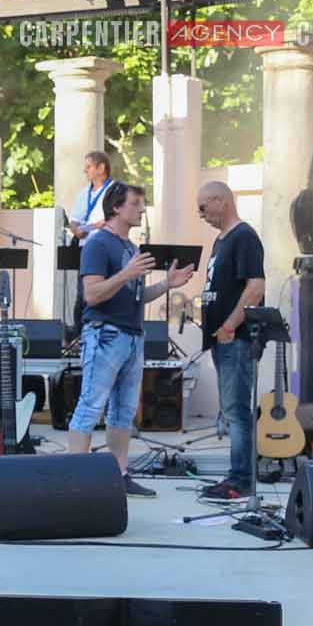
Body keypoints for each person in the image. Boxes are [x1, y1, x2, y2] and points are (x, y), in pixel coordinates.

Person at [61, 181, 192, 495]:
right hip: (105, 334)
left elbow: (134, 295)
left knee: (123, 411)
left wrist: (166, 285)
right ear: (116, 207)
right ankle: (74, 481)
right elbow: (92, 295)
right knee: (91, 406)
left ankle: (119, 476)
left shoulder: (131, 248)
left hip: (133, 336)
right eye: (135, 204)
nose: (141, 209)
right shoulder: (97, 244)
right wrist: (125, 274)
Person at [196, 181, 267, 500]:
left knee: (237, 409)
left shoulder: (244, 237)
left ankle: (241, 479)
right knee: (231, 409)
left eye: (203, 207)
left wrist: (229, 325)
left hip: (235, 338)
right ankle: (235, 475)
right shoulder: (220, 241)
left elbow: (255, 287)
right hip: (221, 339)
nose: (201, 214)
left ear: (221, 201)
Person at [68, 151, 114, 242]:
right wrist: (93, 226)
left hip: (108, 248)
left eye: (88, 167)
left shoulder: (116, 190)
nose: (84, 171)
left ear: (101, 168)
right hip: (85, 249)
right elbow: (75, 224)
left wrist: (86, 228)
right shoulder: (83, 193)